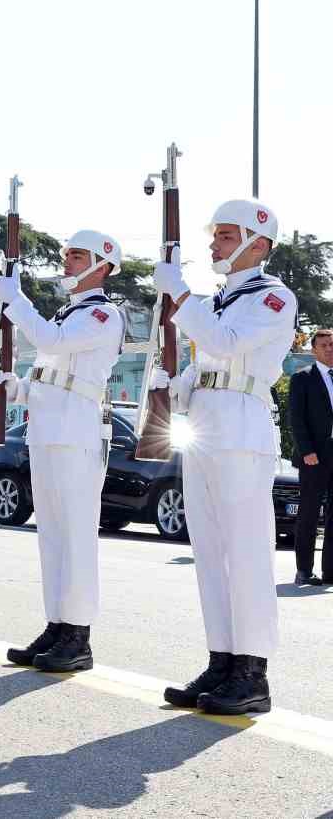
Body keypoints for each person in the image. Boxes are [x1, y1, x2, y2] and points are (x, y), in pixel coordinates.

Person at [152, 200, 297, 716]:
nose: (213, 243)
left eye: (226, 234)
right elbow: (207, 359)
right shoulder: (219, 298)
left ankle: (252, 671)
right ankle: (222, 661)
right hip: (208, 427)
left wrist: (181, 295)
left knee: (247, 552)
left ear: (257, 243)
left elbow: (225, 343)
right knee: (210, 551)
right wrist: (177, 386)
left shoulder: (274, 297)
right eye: (214, 234)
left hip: (241, 429)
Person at [0, 230, 125, 674]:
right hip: (47, 431)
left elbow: (51, 342)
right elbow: (52, 371)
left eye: (77, 256)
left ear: (102, 266)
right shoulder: (69, 314)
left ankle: (78, 634)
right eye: (67, 255)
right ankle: (56, 623)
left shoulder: (103, 314)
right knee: (50, 534)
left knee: (75, 535)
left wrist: (17, 301)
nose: (66, 262)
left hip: (76, 433)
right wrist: (19, 389)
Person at [288, 328, 333, 586]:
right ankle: (303, 570)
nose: (329, 348)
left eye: (332, 344)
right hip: (313, 457)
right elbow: (296, 419)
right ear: (314, 350)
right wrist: (306, 451)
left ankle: (330, 571)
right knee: (309, 513)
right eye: (324, 345)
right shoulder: (302, 378)